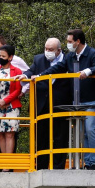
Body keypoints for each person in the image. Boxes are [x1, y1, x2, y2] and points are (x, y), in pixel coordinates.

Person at [25, 28, 95, 169]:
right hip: (77, 101)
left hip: (90, 99)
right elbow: (58, 68)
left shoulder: (92, 53)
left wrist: (88, 71)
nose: (68, 44)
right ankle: (88, 163)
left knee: (91, 130)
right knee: (82, 132)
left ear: (77, 41)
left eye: (69, 41)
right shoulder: (71, 56)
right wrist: (41, 75)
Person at [24, 38, 72, 169]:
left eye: (51, 50)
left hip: (60, 104)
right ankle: (41, 167)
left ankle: (58, 167)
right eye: (46, 49)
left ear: (59, 50)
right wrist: (24, 76)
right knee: (41, 137)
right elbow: (31, 71)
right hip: (41, 104)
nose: (47, 52)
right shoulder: (39, 59)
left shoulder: (68, 60)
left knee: (60, 137)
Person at [0, 36, 29, 154]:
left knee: (10, 134)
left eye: (3, 56)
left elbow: (17, 89)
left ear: (10, 57)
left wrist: (5, 101)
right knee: (0, 135)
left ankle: (9, 163)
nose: (0, 58)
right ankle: (3, 161)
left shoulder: (17, 71)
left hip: (12, 105)